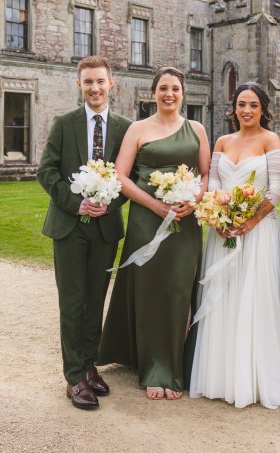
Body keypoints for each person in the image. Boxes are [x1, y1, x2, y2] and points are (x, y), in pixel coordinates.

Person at [97, 67, 210, 400]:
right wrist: (155, 205)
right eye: (163, 88)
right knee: (149, 289)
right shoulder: (138, 129)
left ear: (183, 93)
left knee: (179, 288)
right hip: (147, 220)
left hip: (185, 221)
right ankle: (153, 366)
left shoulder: (197, 129)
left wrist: (194, 199)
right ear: (153, 92)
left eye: (175, 88)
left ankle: (176, 362)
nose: (169, 94)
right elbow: (122, 176)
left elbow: (206, 174)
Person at [190, 82, 280, 409]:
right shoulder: (222, 141)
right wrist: (219, 219)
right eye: (241, 104)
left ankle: (254, 378)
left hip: (260, 232)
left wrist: (249, 221)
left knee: (256, 299)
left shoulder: (270, 140)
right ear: (233, 108)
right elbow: (214, 183)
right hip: (222, 232)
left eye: (253, 105)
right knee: (222, 297)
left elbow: (277, 188)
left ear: (263, 109)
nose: (246, 110)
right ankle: (220, 376)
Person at [37, 56, 132, 409]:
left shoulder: (125, 128)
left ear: (112, 84)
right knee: (72, 302)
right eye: (88, 82)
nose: (94, 88)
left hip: (105, 228)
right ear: (79, 85)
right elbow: (46, 171)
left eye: (100, 81)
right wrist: (75, 203)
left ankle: (90, 366)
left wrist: (111, 202)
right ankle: (74, 376)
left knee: (95, 300)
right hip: (68, 226)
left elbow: (131, 178)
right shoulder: (64, 124)